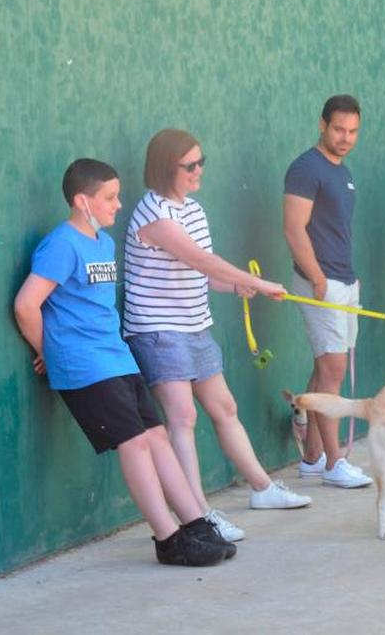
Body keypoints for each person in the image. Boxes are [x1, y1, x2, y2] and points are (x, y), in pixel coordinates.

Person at [13, 159, 232, 566]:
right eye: (109, 197)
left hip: (117, 357)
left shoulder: (102, 243)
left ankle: (196, 524)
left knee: (157, 436)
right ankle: (168, 540)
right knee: (133, 444)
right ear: (83, 201)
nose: (118, 204)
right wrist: (49, 350)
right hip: (84, 366)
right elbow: (27, 305)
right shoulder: (61, 244)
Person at [124, 129, 312, 543]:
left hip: (195, 325)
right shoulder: (153, 214)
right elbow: (199, 258)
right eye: (189, 166)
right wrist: (259, 284)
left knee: (224, 407)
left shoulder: (192, 209)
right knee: (183, 417)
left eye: (201, 162)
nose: (198, 171)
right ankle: (200, 514)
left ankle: (262, 488)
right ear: (164, 168)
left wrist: (236, 286)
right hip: (158, 330)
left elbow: (203, 274)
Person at [283, 95, 374, 489]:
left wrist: (350, 279)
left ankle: (312, 458)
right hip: (320, 284)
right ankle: (336, 463)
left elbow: (336, 231)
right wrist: (318, 278)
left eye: (353, 131)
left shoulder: (343, 171)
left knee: (325, 367)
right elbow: (293, 228)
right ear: (322, 125)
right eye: (339, 129)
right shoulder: (306, 168)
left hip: (343, 281)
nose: (346, 137)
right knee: (333, 370)